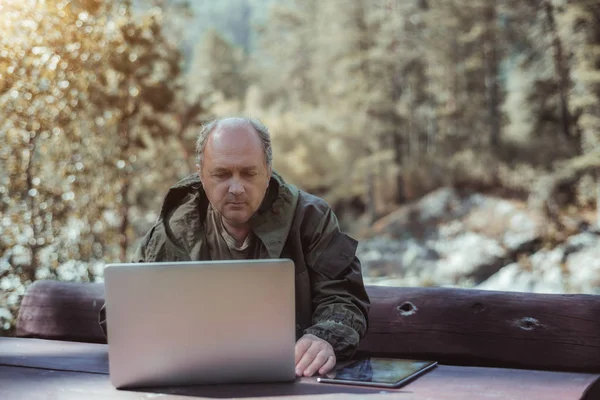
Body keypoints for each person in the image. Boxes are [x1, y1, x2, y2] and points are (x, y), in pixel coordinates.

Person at [100, 117, 370, 378]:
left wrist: (323, 338)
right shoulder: (176, 226)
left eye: (249, 173)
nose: (237, 188)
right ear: (201, 175)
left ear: (267, 172)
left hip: (294, 378)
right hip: (193, 379)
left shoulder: (311, 218)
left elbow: (343, 297)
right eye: (221, 174)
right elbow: (123, 309)